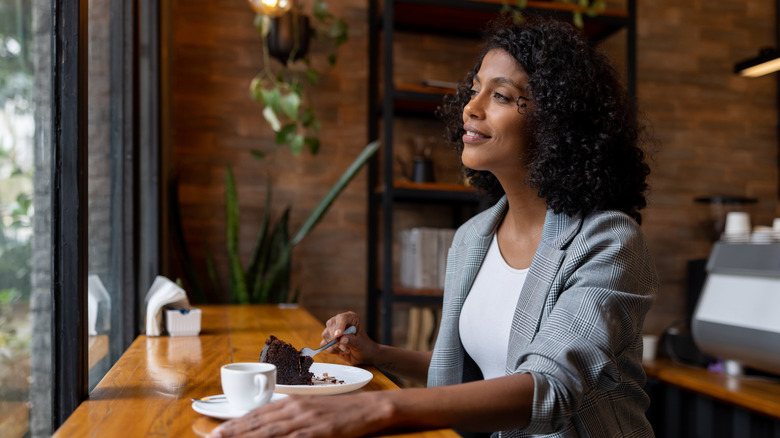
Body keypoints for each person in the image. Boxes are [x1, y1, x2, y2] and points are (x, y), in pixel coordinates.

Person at [208, 16, 658, 438]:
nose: (471, 107)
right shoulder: (471, 239)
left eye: (500, 96)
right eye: (475, 88)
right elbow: (464, 372)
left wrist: (376, 409)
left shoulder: (608, 241)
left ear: (559, 122)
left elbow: (550, 388)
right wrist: (378, 354)